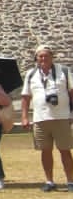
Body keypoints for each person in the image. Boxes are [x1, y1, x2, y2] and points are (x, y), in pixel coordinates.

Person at [21, 43, 73, 191]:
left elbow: (72, 93)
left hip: (62, 117)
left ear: (52, 57)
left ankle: (70, 181)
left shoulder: (63, 71)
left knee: (65, 150)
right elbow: (25, 97)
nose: (43, 58)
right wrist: (25, 117)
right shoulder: (31, 74)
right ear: (36, 58)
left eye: (46, 56)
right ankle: (49, 181)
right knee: (45, 151)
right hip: (40, 118)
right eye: (40, 56)